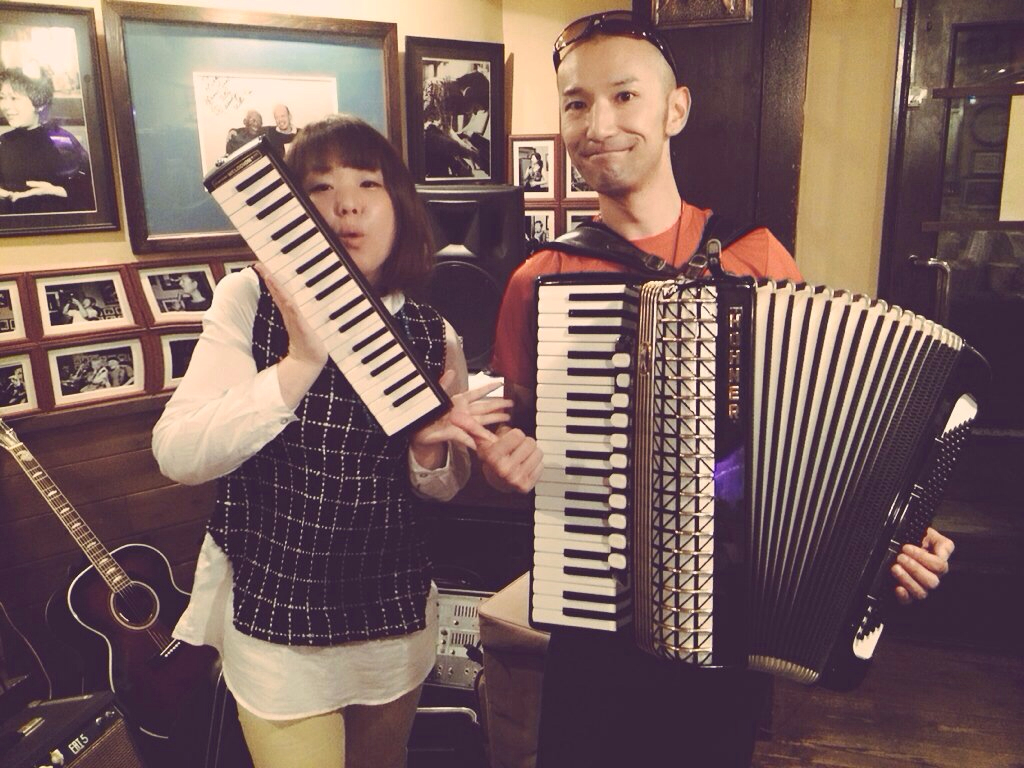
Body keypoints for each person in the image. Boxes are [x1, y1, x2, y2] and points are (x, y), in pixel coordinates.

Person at [483, 12, 957, 768]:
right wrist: (501, 463)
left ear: (675, 109)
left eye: (625, 96)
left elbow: (819, 435)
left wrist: (897, 530)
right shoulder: (539, 281)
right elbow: (513, 442)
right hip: (593, 618)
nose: (598, 125)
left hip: (728, 620)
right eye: (576, 103)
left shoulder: (755, 258)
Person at [152, 113, 523, 768]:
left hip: (391, 625)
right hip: (277, 630)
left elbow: (441, 488)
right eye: (320, 187)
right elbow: (178, 453)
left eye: (368, 184)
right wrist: (298, 366)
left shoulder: (433, 333)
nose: (347, 204)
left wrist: (428, 449)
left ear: (399, 207)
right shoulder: (249, 301)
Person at [0, 66, 94, 214]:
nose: (5, 106)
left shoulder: (61, 141)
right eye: (2, 98)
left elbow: (91, 191)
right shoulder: (3, 142)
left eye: (14, 98)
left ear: (40, 103)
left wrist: (56, 191)